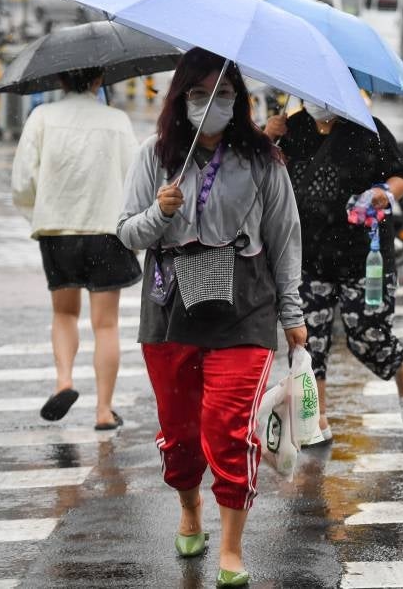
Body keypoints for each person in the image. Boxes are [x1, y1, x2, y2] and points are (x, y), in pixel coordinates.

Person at [117, 48, 306, 587]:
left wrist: (293, 314)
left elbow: (284, 241)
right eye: (199, 94)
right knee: (179, 434)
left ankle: (230, 545)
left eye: (222, 94)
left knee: (228, 429)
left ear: (239, 101)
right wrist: (161, 212)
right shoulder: (154, 155)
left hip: (245, 306)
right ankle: (189, 509)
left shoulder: (263, 159)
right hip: (168, 304)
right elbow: (127, 233)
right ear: (181, 99)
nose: (211, 104)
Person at [265, 104, 403, 433]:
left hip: (364, 256)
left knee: (369, 335)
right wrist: (267, 138)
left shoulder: (368, 129)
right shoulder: (289, 129)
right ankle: (317, 416)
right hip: (307, 254)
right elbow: (260, 175)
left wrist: (384, 192)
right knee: (307, 341)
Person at [11, 66, 141, 431]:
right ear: (99, 80)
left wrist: (39, 212)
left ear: (60, 79)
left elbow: (23, 179)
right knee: (106, 323)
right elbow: (134, 179)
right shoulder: (116, 121)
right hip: (106, 230)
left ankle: (64, 381)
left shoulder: (42, 117)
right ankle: (103, 410)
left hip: (59, 230)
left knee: (64, 314)